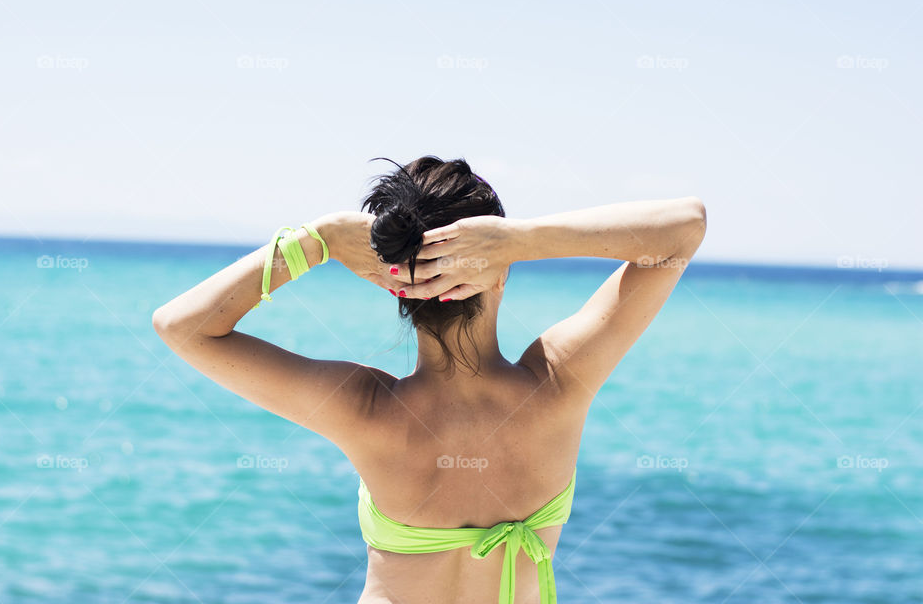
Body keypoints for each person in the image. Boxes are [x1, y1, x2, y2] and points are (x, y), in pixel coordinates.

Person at [153, 156, 707, 603]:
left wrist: (317, 240)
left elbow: (184, 328)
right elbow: (684, 228)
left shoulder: (364, 410)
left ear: (393, 283)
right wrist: (524, 240)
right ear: (501, 265)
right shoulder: (560, 382)